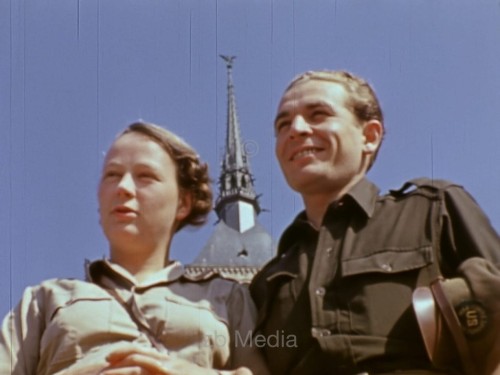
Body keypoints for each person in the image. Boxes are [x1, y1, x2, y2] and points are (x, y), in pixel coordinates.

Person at [249, 70, 500, 374]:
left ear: (369, 136)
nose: (296, 129)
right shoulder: (267, 283)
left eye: (318, 114)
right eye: (283, 124)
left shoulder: (433, 210)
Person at [0, 121, 269, 375]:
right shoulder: (44, 301)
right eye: (112, 175)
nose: (123, 188)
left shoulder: (227, 298)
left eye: (145, 176)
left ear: (183, 203)